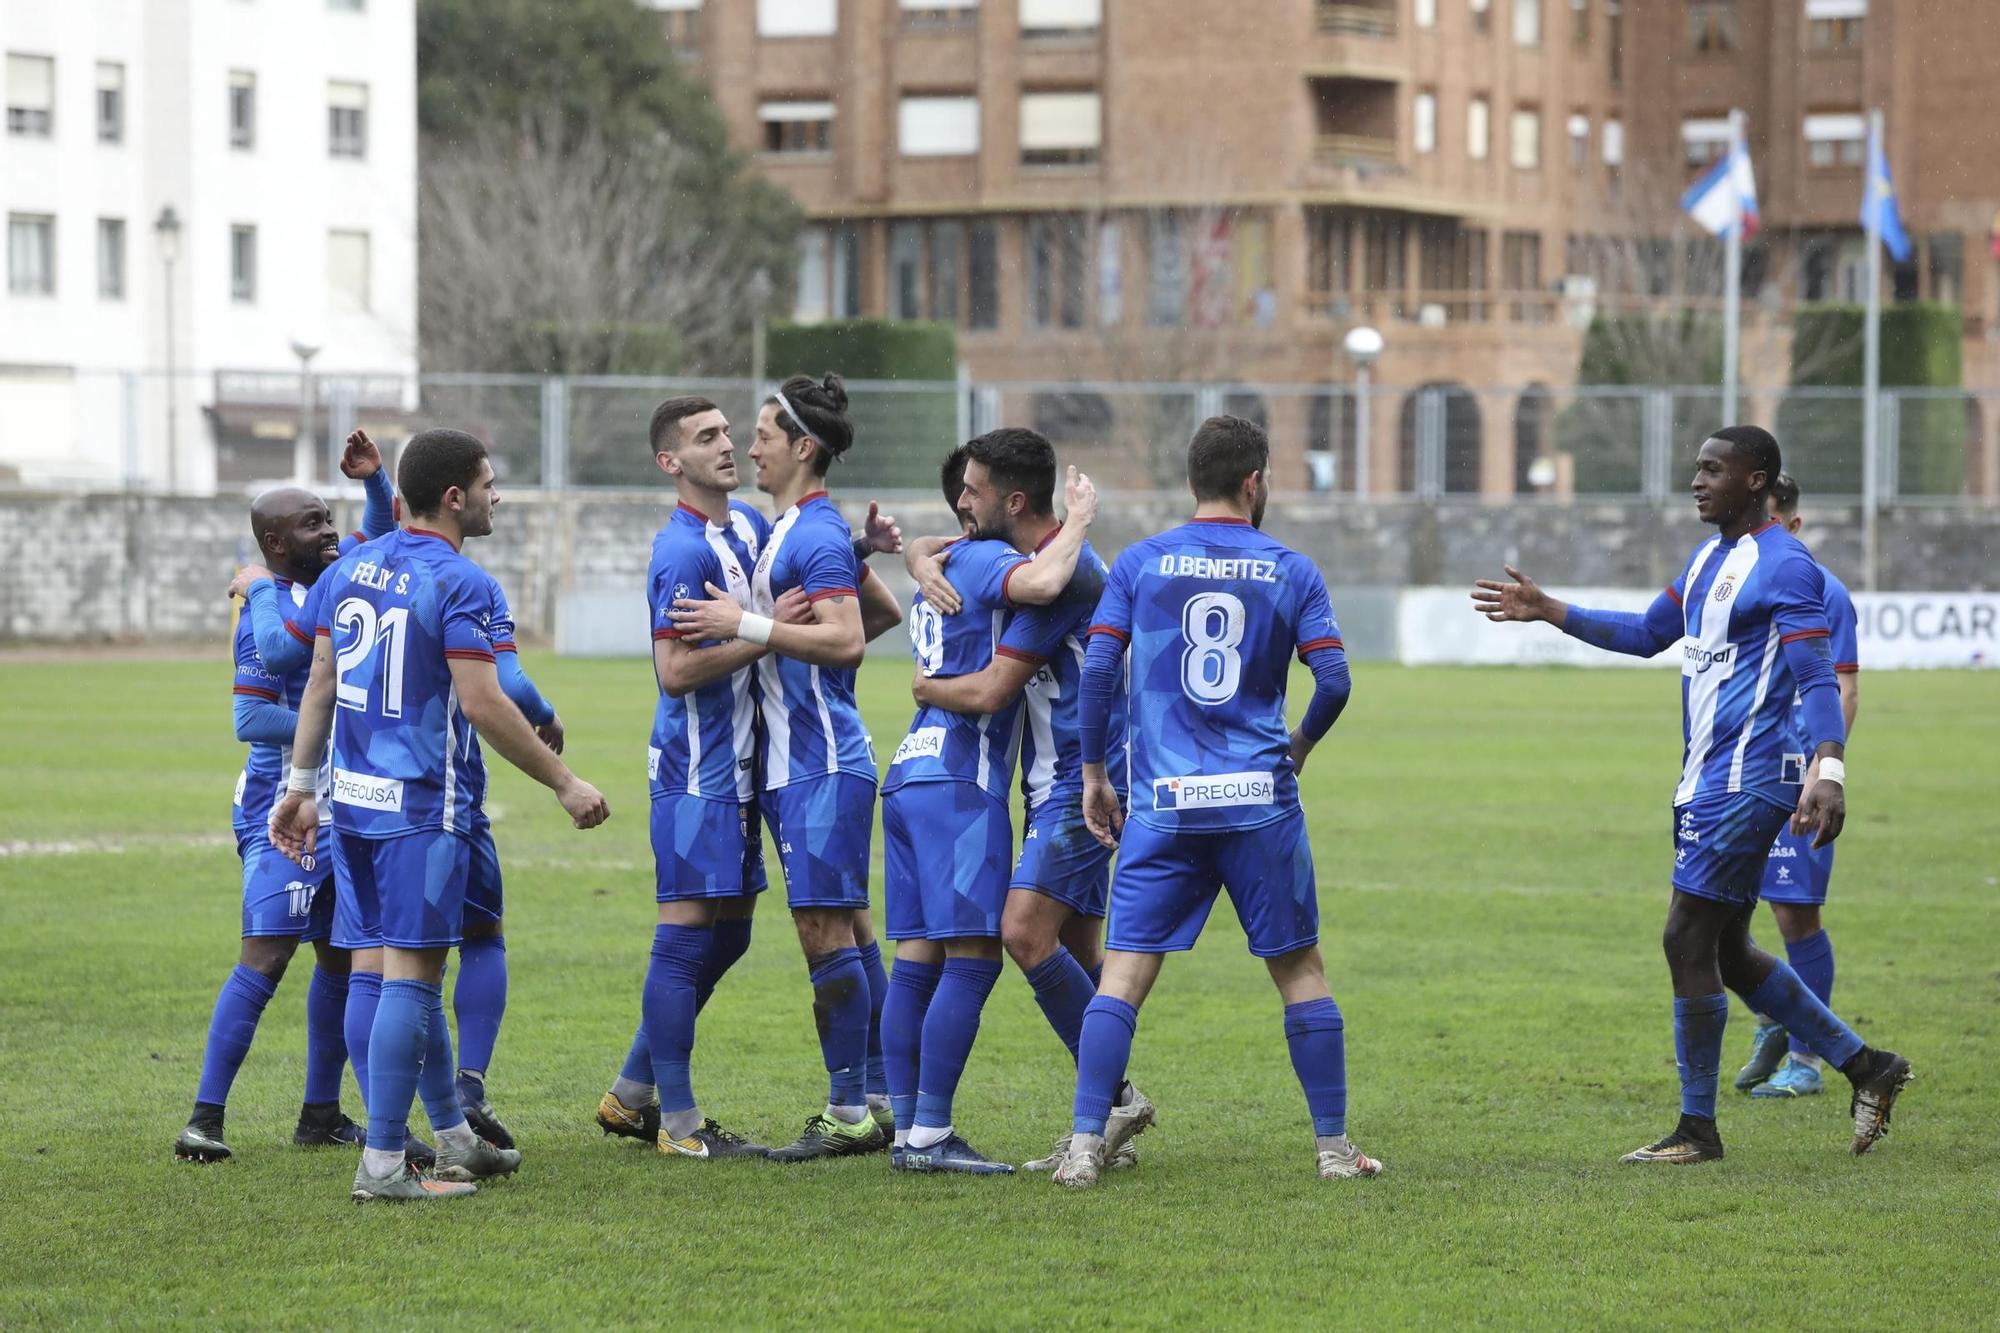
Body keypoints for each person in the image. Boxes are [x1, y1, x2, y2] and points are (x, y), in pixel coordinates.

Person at [1471, 424, 1911, 1164]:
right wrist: (1550, 609)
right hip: (1706, 778)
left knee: (1684, 937)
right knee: (1729, 951)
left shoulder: (1787, 567)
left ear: (1756, 478)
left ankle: (1697, 1129)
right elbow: (1646, 633)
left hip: (1749, 778)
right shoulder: (1709, 560)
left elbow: (1815, 677)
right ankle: (1869, 1066)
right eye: (1697, 467)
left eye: (1714, 468)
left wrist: (1829, 769)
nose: (1697, 480)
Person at [270, 429, 610, 1202]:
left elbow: (320, 679)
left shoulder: (351, 565)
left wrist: (301, 785)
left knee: (389, 968)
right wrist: (563, 781)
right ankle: (384, 1165)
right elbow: (483, 700)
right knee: (415, 979)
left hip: (352, 806)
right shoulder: (463, 582)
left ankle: (454, 1133)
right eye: (489, 484)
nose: (497, 497)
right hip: (424, 808)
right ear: (455, 497)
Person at [1048, 414, 1374, 1189]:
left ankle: (1087, 1145)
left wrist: (1096, 773)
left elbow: (1098, 672)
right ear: (1254, 482)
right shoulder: (1291, 567)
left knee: (1122, 973)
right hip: (1259, 801)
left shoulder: (1141, 562)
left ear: (1194, 480)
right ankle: (1333, 1151)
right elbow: (1335, 682)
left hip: (1163, 803)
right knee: (1300, 970)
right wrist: (1294, 749)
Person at [667, 374, 904, 1162]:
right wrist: (856, 559)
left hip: (819, 762)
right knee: (845, 927)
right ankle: (875, 1094)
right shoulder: (798, 529)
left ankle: (848, 1106)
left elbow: (846, 637)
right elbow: (882, 612)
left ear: (803, 446)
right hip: (797, 763)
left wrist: (748, 622)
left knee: (823, 930)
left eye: (765, 433)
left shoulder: (812, 534)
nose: (751, 445)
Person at [902, 438, 1149, 1174]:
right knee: (1077, 950)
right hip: (1058, 781)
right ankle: (1111, 1101)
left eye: (972, 492)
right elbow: (935, 546)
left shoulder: (1065, 577)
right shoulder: (1040, 564)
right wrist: (917, 555)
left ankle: (1110, 1103)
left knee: (1021, 932)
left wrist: (927, 688)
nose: (960, 505)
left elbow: (991, 690)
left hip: (1082, 782)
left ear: (1013, 502)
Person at [594, 395, 814, 1160]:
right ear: (671, 462)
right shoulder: (679, 552)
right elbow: (676, 668)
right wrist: (757, 638)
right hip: (696, 772)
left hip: (742, 769)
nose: (728, 446)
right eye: (706, 437)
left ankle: (630, 1092)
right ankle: (679, 1126)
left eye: (728, 432)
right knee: (685, 936)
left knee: (732, 934)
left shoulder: (748, 527)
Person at [172, 434, 394, 1163]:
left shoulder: (330, 582)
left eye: (329, 516)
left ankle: (321, 1113)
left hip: (344, 806)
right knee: (266, 957)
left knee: (338, 957)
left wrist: (373, 482)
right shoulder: (261, 615)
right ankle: (205, 1117)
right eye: (311, 523)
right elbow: (249, 719)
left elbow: (379, 534)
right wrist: (336, 729)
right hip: (279, 806)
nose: (328, 530)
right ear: (274, 541)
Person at [1734, 472, 1861, 1099]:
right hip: (1740, 774)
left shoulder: (1824, 590)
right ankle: (1772, 1019)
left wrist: (1822, 768)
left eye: (1774, 523)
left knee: (1794, 914)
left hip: (1796, 777)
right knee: (1727, 913)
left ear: (1793, 524)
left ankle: (1806, 1060)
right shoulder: (1736, 580)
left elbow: (1843, 688)